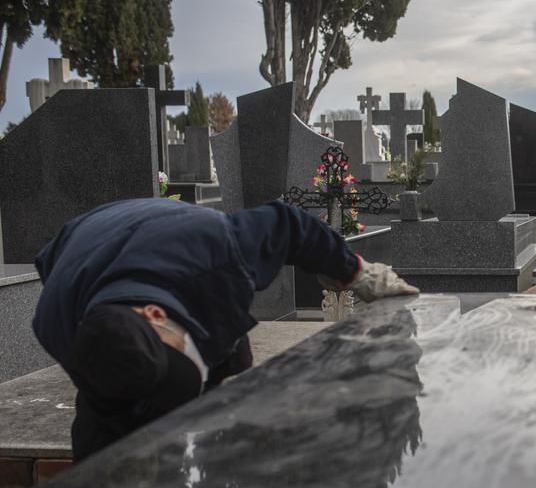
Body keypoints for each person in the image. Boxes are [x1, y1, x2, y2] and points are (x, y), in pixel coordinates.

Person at [33, 198, 419, 461]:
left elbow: (291, 226)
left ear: (154, 313)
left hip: (165, 232)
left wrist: (358, 274)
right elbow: (108, 409)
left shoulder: (217, 250)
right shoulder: (57, 327)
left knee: (227, 357)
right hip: (76, 251)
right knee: (110, 432)